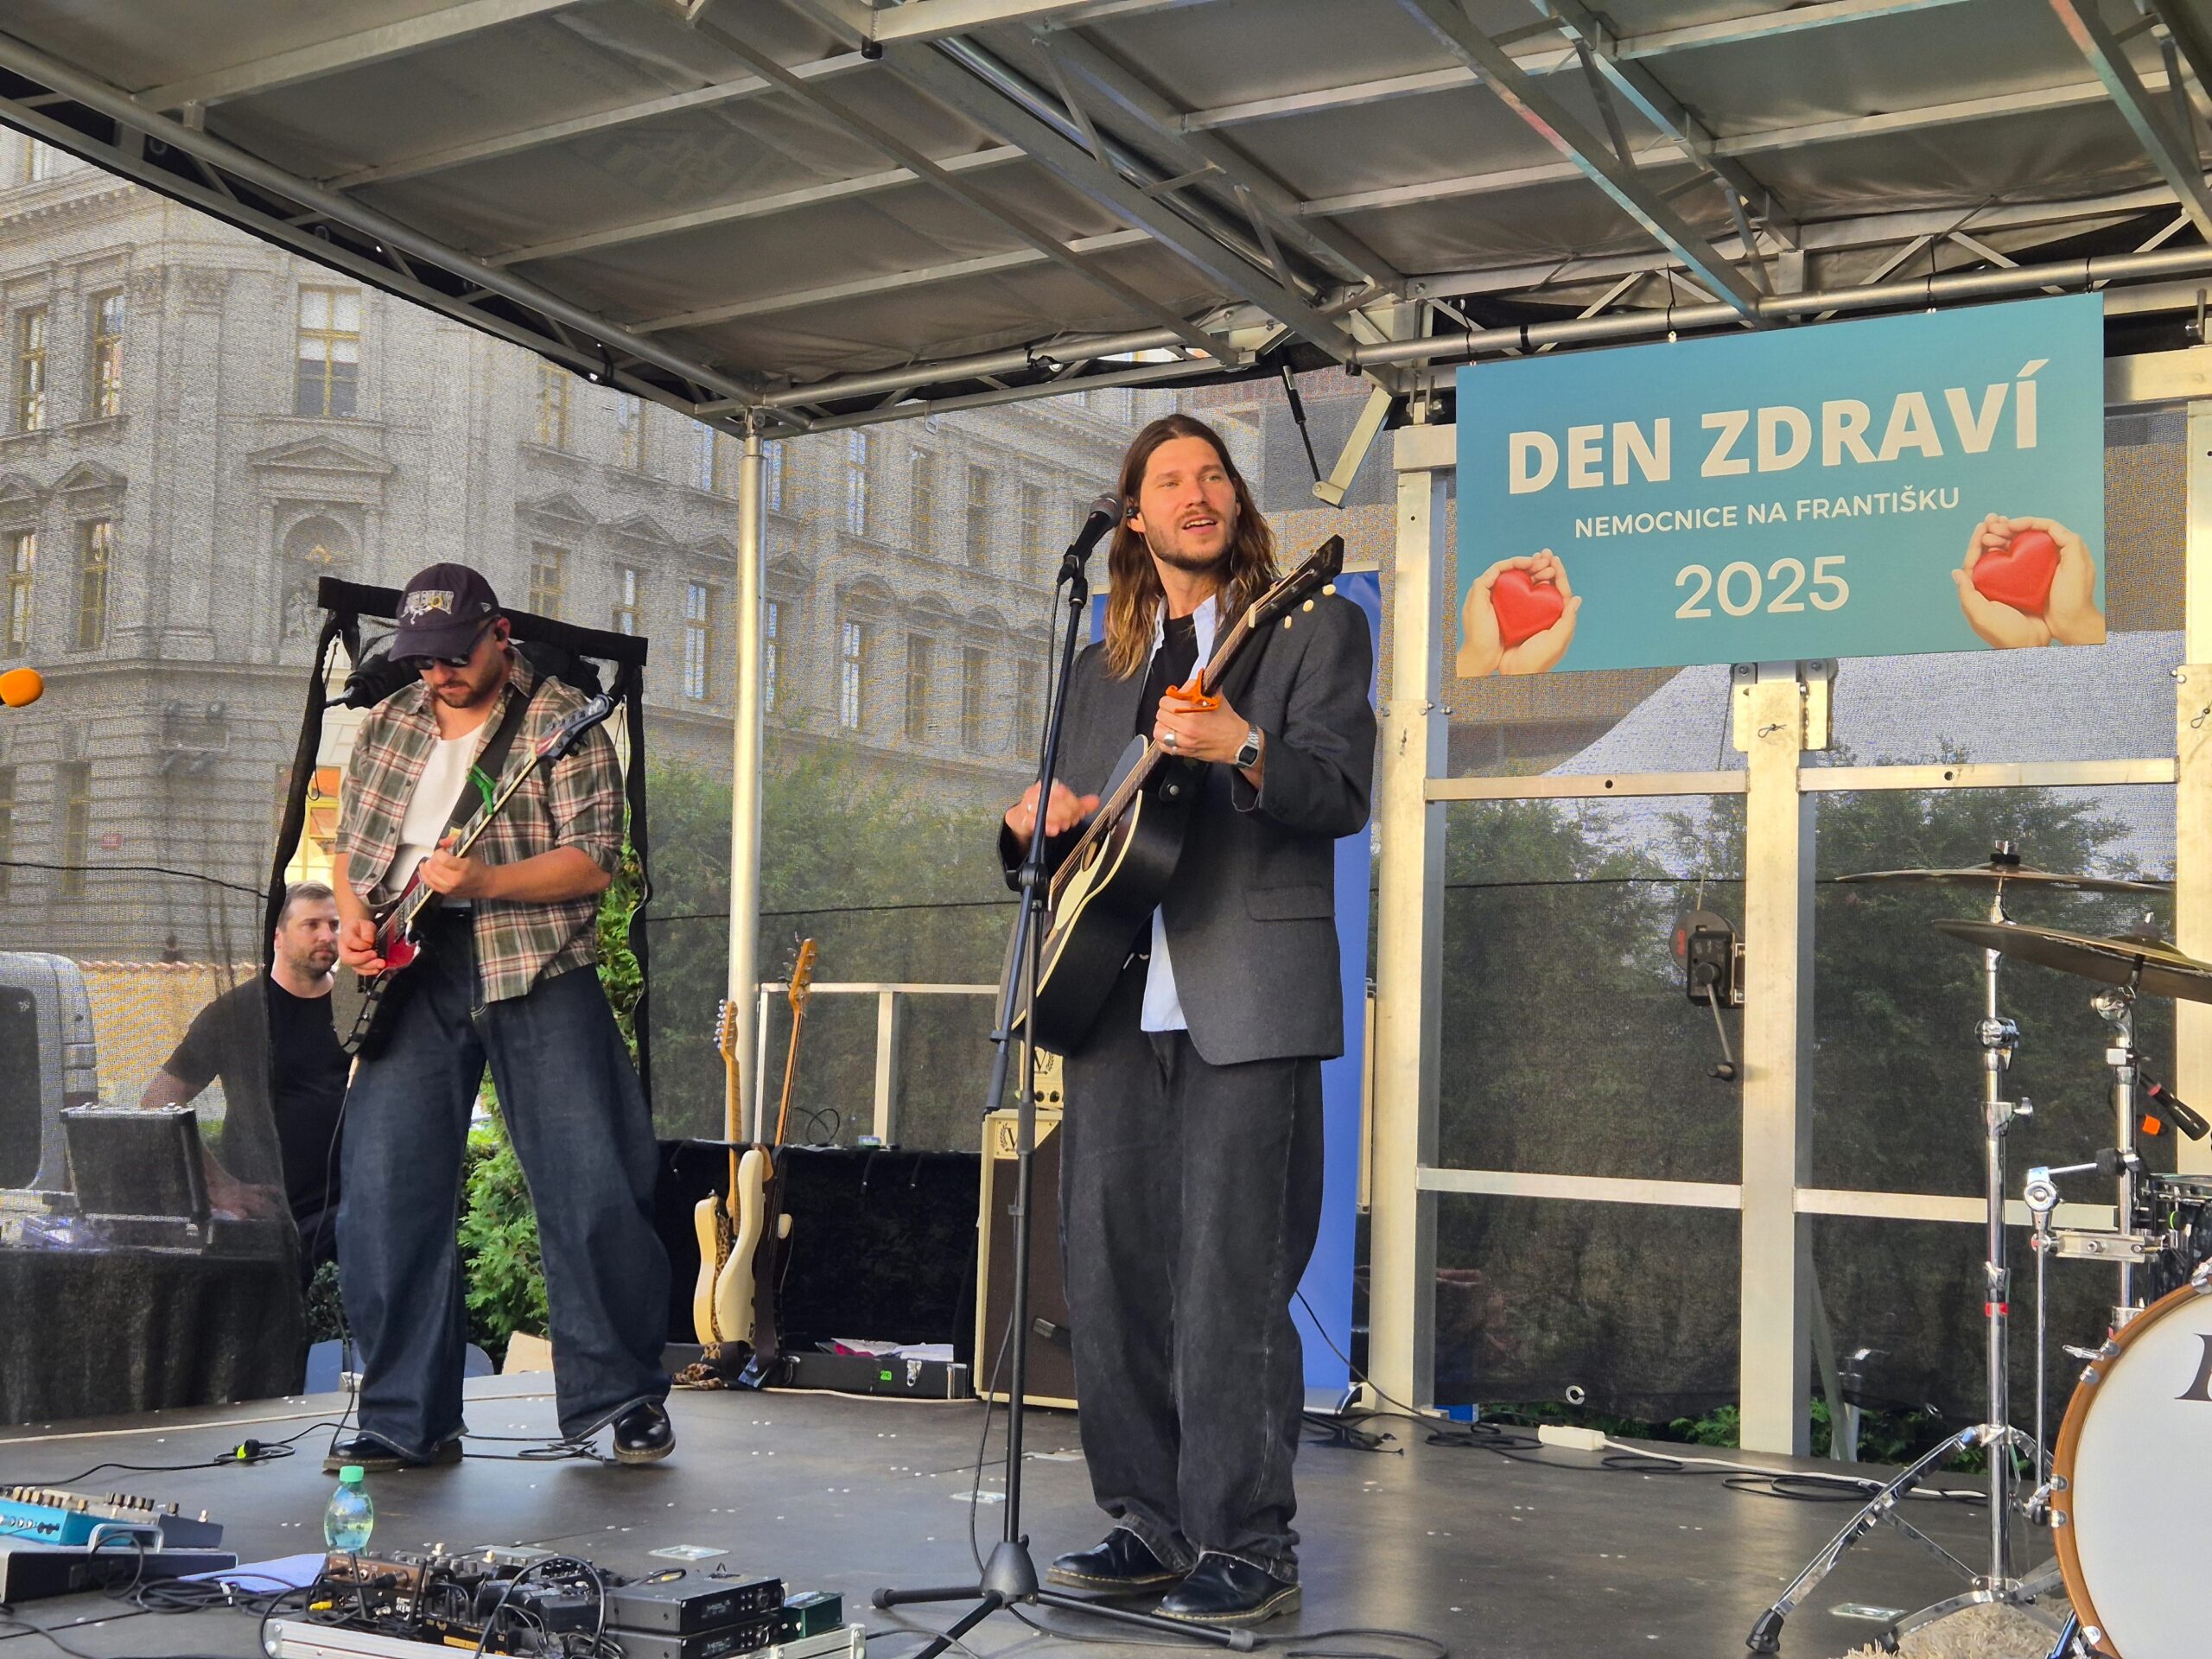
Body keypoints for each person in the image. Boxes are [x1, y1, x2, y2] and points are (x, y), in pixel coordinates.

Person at [1000, 414, 1376, 1626]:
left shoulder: (1312, 628)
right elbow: (1067, 848)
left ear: (1237, 506)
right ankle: (1148, 1524)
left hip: (1247, 1000)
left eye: (1213, 475)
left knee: (1231, 1281)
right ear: (1134, 517)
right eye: (1170, 481)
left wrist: (1244, 745)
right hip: (1108, 996)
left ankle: (1249, 1546)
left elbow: (1342, 793)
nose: (1197, 493)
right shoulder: (1098, 667)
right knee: (1109, 1276)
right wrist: (1028, 829)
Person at [327, 562, 671, 1474]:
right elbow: (352, 851)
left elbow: (593, 860)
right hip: (412, 967)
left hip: (535, 962)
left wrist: (486, 880)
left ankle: (622, 1399)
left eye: (454, 656)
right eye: (423, 660)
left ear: (499, 634)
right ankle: (405, 1416)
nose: (438, 674)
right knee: (386, 1191)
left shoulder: (565, 720)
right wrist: (357, 923)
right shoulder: (388, 723)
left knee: (591, 1181)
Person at [139, 881, 348, 1279]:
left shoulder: (359, 1008)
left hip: (348, 1213)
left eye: (334, 924)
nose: (327, 935)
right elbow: (157, 1102)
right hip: (266, 1216)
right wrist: (219, 1184)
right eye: (311, 925)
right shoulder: (235, 1013)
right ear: (278, 936)